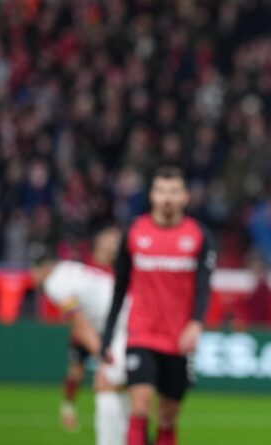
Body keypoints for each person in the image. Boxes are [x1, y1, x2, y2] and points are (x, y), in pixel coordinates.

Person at [101, 166, 217, 445]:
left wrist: (196, 323)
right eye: (162, 191)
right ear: (152, 196)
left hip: (178, 339)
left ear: (185, 197)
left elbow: (203, 287)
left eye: (174, 191)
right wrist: (107, 335)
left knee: (167, 416)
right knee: (139, 406)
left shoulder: (199, 236)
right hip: (141, 333)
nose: (167, 197)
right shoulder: (134, 232)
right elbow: (120, 288)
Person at [31, 226, 130, 445]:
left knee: (106, 384)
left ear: (43, 269)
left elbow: (78, 322)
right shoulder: (71, 267)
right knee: (119, 387)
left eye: (33, 271)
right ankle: (134, 437)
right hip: (126, 319)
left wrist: (99, 352)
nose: (33, 277)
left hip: (124, 325)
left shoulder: (54, 283)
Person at [57, 226, 122, 432]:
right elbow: (66, 298)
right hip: (83, 330)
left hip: (108, 333)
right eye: (110, 238)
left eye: (117, 240)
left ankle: (109, 418)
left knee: (108, 376)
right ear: (98, 240)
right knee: (76, 373)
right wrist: (77, 321)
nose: (114, 244)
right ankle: (68, 408)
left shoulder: (119, 271)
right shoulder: (81, 267)